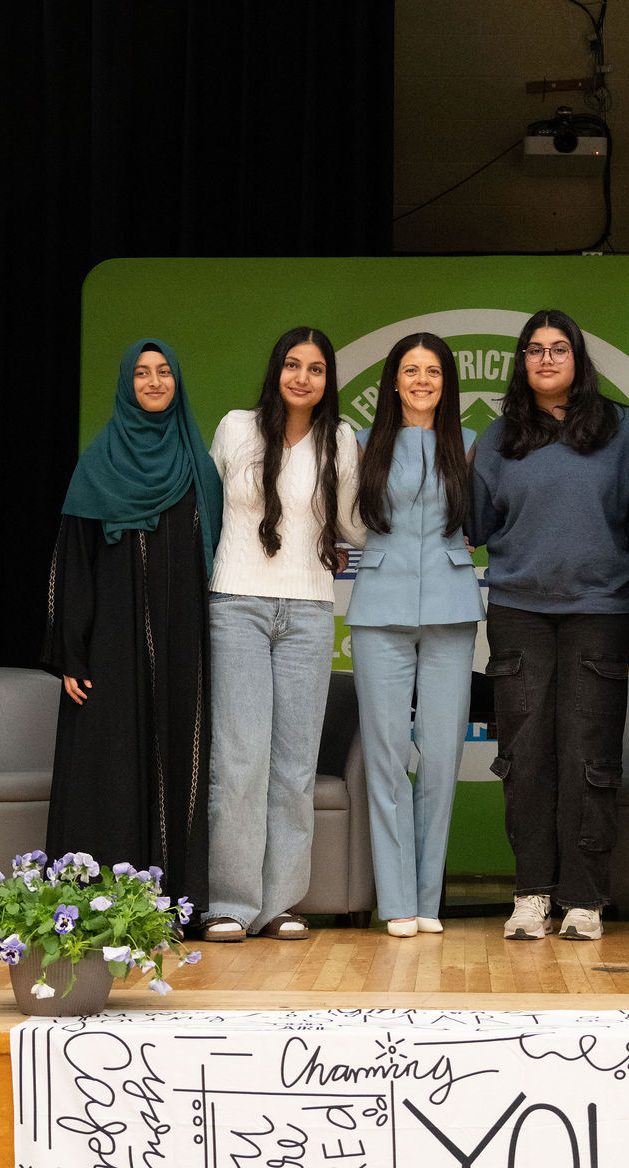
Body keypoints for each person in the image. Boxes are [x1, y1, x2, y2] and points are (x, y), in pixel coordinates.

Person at [466, 310, 629, 942]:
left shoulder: (622, 428)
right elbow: (476, 525)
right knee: (525, 754)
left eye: (557, 348)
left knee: (591, 755)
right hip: (519, 613)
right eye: (533, 350)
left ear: (578, 357)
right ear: (522, 361)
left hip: (599, 610)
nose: (544, 359)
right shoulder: (498, 436)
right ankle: (532, 894)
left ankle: (586, 899)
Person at [44, 339, 223, 910]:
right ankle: (105, 906)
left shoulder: (199, 465)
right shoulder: (99, 462)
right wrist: (73, 653)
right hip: (114, 648)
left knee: (183, 757)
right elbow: (74, 564)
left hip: (186, 642)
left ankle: (180, 901)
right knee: (114, 763)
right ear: (126, 384)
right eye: (142, 373)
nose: (153, 382)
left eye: (164, 371)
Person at [204, 327, 361, 942]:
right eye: (293, 365)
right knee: (240, 761)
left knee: (295, 766)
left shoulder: (341, 439)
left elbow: (351, 522)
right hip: (236, 602)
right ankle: (229, 904)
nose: (303, 377)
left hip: (310, 610)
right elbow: (205, 507)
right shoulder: (236, 427)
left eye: (316, 369)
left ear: (328, 380)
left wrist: (425, 524)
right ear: (277, 372)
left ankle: (282, 903)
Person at [347, 334, 484, 937]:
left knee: (441, 757)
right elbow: (343, 523)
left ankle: (428, 902)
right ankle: (396, 901)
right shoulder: (357, 445)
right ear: (393, 381)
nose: (423, 380)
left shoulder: (474, 445)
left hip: (452, 608)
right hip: (379, 608)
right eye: (411, 370)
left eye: (433, 371)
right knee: (385, 757)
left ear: (447, 382)